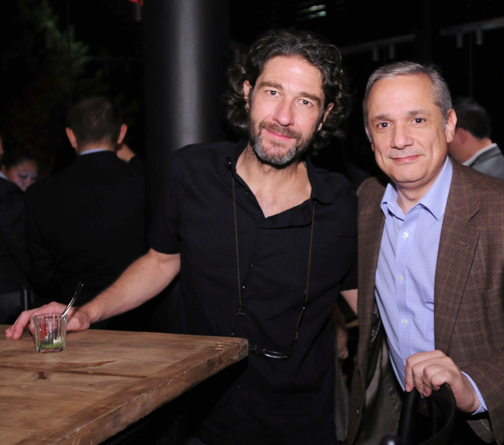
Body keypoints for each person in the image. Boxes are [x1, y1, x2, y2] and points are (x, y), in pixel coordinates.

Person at [8, 29, 358, 445]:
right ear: (248, 93)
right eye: (272, 92)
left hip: (300, 428)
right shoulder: (192, 171)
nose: (284, 116)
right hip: (203, 419)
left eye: (305, 101)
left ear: (324, 115)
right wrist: (86, 313)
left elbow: (370, 302)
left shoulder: (343, 203)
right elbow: (161, 260)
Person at [348, 62, 504, 445]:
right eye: (383, 124)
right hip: (410, 422)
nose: (399, 139)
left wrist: (474, 388)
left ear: (448, 125)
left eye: (417, 120)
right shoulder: (366, 202)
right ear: (368, 135)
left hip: (503, 427)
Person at [22, 97, 147, 316]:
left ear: (71, 136)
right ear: (121, 134)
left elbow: (42, 275)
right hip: (141, 314)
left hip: (73, 314)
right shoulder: (144, 182)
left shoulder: (39, 193)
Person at [447, 97, 504, 185]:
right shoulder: (498, 168)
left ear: (461, 135)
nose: (446, 141)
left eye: (447, 133)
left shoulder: (491, 174)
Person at [0, 145, 36, 316]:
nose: (28, 183)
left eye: (33, 178)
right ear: (4, 169)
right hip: (8, 291)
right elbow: (20, 245)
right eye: (22, 176)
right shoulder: (8, 194)